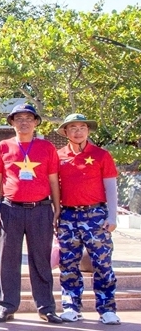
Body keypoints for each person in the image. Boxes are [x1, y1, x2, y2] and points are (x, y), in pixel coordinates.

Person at [0, 103, 62, 323]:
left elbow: (52, 180)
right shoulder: (3, 147)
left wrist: (56, 208)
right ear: (12, 123)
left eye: (29, 118)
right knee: (7, 260)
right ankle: (6, 306)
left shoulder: (47, 148)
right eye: (18, 118)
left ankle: (46, 308)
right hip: (11, 209)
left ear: (36, 122)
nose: (24, 122)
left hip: (40, 210)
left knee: (41, 260)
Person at [55, 114, 121, 325]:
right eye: (72, 127)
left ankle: (107, 308)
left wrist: (112, 215)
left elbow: (111, 186)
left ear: (88, 131)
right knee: (68, 263)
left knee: (102, 262)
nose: (78, 131)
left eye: (82, 127)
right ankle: (71, 306)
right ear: (65, 132)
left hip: (96, 215)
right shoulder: (58, 157)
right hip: (68, 215)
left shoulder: (101, 155)